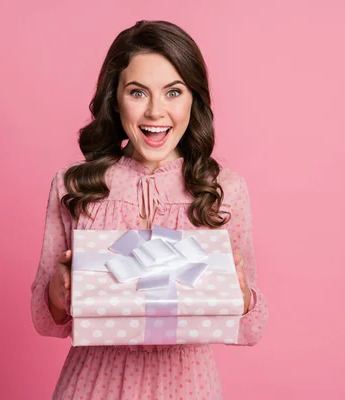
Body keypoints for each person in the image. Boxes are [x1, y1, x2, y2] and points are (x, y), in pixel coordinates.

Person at [30, 20, 269, 399]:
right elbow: (47, 323)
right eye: (138, 92)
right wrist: (59, 292)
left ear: (194, 98)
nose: (156, 112)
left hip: (189, 388)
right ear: (115, 98)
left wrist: (239, 296)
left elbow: (252, 328)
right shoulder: (73, 186)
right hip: (93, 387)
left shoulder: (224, 190)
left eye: (173, 92)